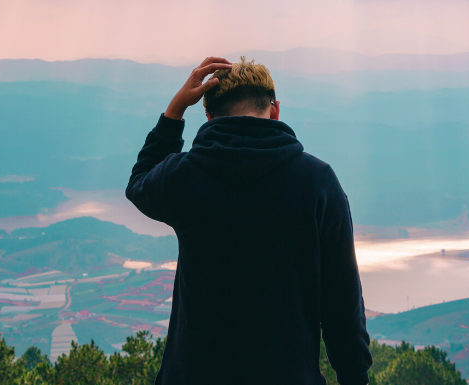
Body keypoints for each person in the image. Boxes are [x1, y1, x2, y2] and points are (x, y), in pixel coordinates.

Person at [126, 56, 372, 385]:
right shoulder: (318, 182)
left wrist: (175, 110)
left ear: (210, 116)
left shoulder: (183, 176)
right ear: (275, 110)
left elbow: (139, 184)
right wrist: (354, 376)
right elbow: (342, 303)